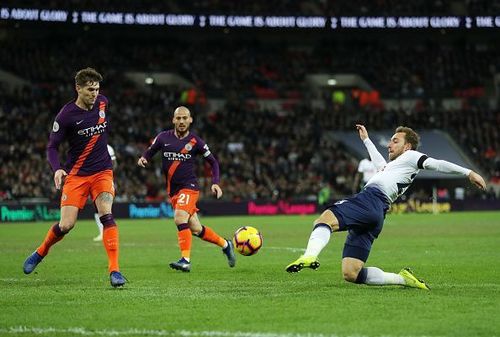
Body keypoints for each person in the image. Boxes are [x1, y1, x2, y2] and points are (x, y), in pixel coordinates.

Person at [286, 124, 486, 290]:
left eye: (395, 141)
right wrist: (366, 140)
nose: (389, 144)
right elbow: (379, 163)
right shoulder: (396, 166)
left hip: (370, 199)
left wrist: (468, 173)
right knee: (351, 272)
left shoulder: (411, 157)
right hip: (377, 213)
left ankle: (309, 255)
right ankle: (402, 279)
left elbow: (437, 164)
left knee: (324, 220)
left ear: (408, 147)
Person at [23, 68, 126, 287]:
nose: (94, 94)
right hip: (77, 176)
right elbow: (52, 147)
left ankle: (115, 271)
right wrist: (57, 169)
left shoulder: (103, 103)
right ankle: (40, 252)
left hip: (102, 172)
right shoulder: (65, 115)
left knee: (106, 214)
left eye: (97, 89)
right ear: (78, 88)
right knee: (66, 225)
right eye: (90, 89)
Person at [137, 105, 235, 272]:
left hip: (189, 187)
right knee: (196, 228)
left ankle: (185, 260)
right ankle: (226, 244)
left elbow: (213, 162)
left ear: (190, 120)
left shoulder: (196, 142)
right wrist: (144, 158)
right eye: (178, 118)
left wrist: (215, 182)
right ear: (173, 120)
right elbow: (150, 151)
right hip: (173, 191)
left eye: (185, 118)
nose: (181, 121)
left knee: (179, 218)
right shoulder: (163, 137)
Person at [93, 144, 116, 241]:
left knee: (106, 208)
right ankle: (102, 232)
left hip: (105, 178)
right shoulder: (89, 145)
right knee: (96, 207)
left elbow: (114, 163)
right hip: (93, 180)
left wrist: (108, 175)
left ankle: (107, 233)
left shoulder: (108, 148)